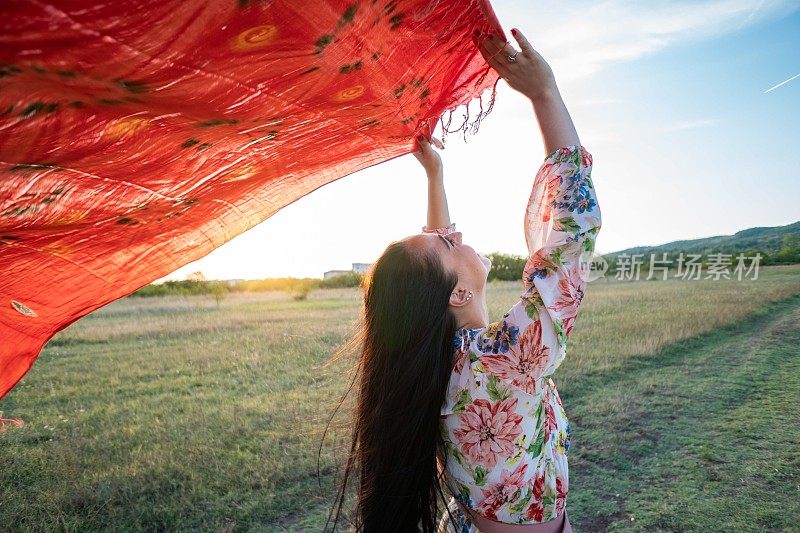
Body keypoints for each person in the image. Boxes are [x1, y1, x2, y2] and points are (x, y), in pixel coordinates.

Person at [326, 27, 601, 533]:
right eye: (449, 243)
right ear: (457, 293)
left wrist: (435, 177)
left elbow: (434, 258)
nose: (455, 234)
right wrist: (544, 94)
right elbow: (570, 235)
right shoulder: (504, 361)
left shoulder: (436, 363)